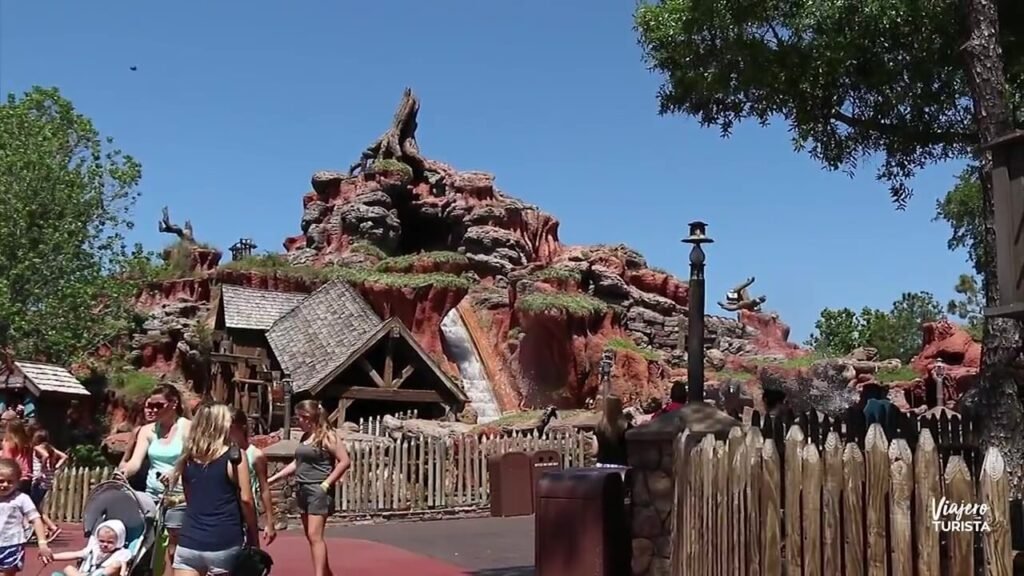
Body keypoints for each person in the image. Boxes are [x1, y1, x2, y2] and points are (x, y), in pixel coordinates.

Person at [167, 403, 259, 576]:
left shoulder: (187, 457)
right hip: (224, 539)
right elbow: (246, 499)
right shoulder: (235, 456)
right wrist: (253, 534)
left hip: (189, 540)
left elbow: (190, 499)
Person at [268, 400, 351, 576]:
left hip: (318, 489)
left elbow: (344, 461)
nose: (298, 421)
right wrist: (273, 478)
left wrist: (326, 484)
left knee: (315, 536)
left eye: (300, 417)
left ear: (308, 417)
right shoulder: (306, 437)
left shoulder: (327, 436)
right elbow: (297, 463)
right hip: (302, 488)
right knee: (311, 538)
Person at [117, 384, 192, 576]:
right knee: (145, 540)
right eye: (150, 405)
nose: (153, 410)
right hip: (153, 494)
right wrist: (124, 472)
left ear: (173, 404)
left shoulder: (187, 428)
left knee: (174, 545)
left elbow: (191, 458)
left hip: (179, 495)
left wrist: (176, 472)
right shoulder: (148, 431)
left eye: (159, 405)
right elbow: (135, 462)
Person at [229, 410, 276, 545]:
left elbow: (264, 488)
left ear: (241, 427)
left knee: (250, 550)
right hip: (225, 509)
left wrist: (270, 521)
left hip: (246, 510)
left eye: (231, 427)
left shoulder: (255, 455)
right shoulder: (222, 451)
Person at [0, 458, 51, 574]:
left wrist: (42, 543)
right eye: (1, 481)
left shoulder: (22, 499)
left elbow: (36, 520)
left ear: (17, 482)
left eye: (10, 481)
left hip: (12, 543)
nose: (5, 485)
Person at [48, 519, 131, 576]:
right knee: (68, 568)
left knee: (116, 565)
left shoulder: (121, 553)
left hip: (103, 573)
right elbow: (74, 554)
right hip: (86, 573)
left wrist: (123, 572)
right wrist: (53, 557)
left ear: (119, 541)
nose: (105, 544)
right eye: (102, 541)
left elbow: (123, 564)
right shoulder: (94, 549)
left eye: (110, 542)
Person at [31, 430, 67, 540]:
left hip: (39, 481)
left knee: (33, 508)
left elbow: (45, 455)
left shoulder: (37, 448)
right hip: (47, 481)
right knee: (36, 507)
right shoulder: (50, 448)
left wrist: (42, 469)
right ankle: (44, 529)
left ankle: (51, 527)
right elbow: (64, 456)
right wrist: (55, 467)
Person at [593, 395, 632, 467]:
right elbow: (631, 450)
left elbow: (594, 451)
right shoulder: (627, 426)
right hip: (621, 465)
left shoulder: (599, 427)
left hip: (602, 466)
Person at [1, 422, 33, 496]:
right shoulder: (27, 443)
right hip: (27, 476)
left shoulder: (9, 443)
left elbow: (7, 461)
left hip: (13, 476)